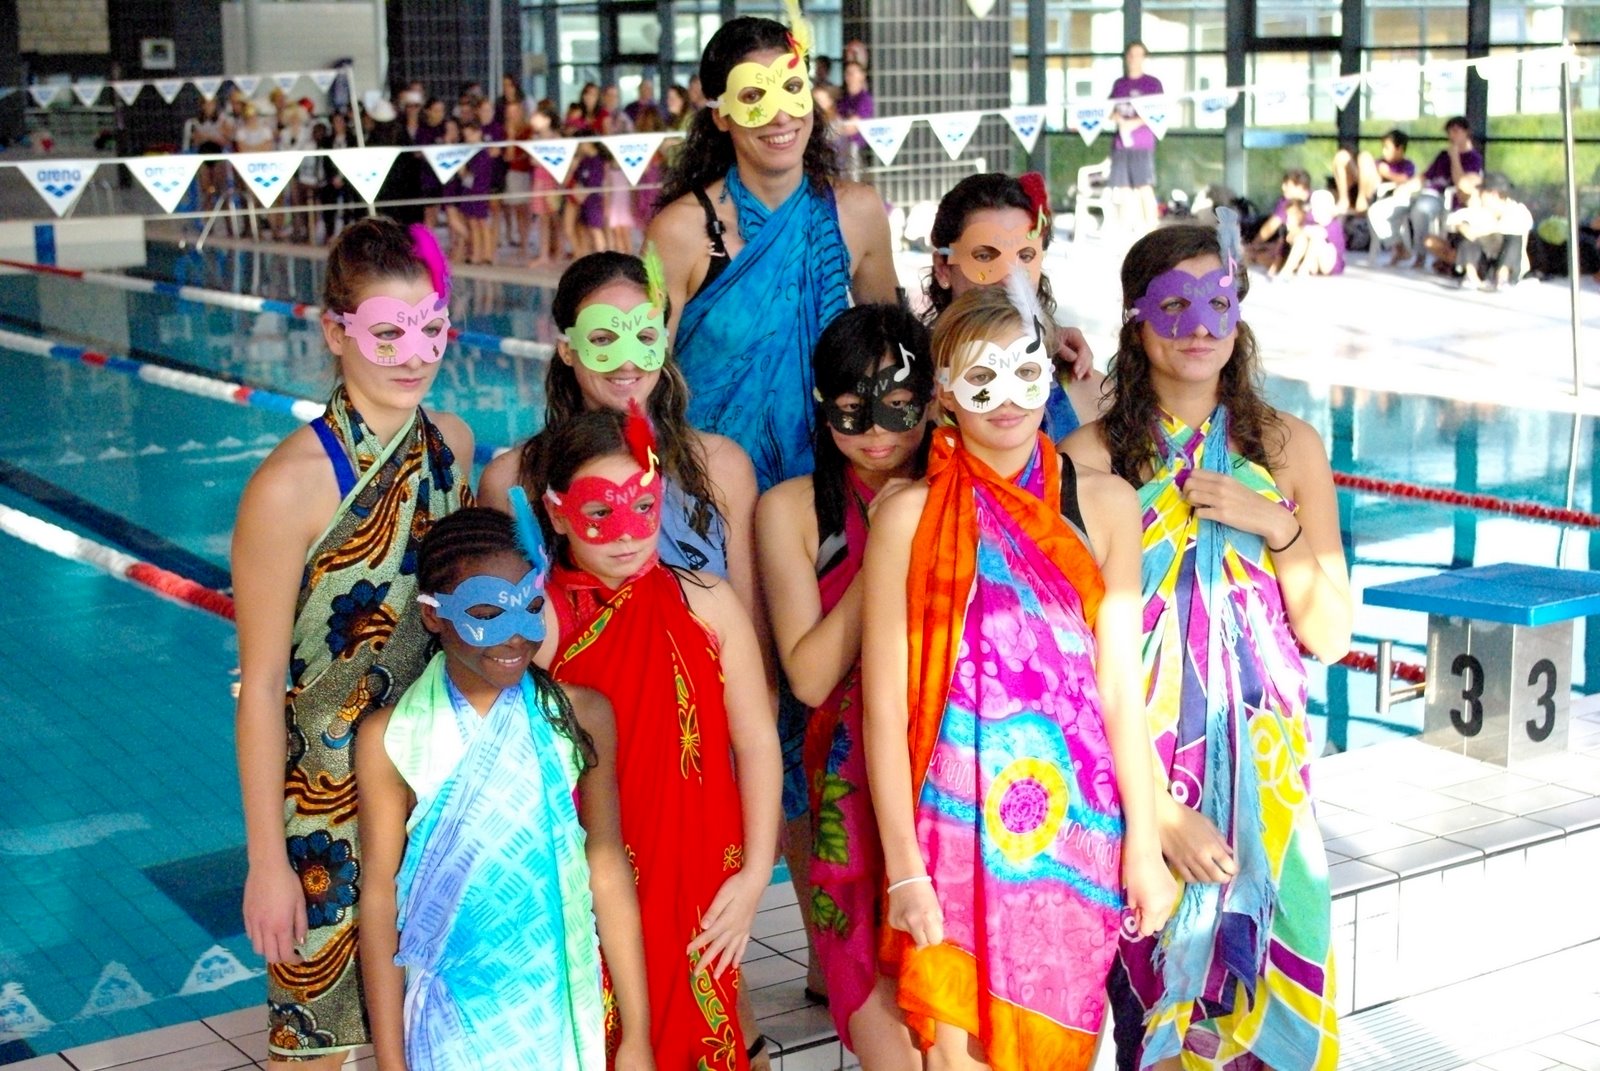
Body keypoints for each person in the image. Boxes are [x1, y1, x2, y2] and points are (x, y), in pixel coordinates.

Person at [862, 283, 1175, 1071]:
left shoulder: (1106, 503)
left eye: (1024, 373)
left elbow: (1119, 691)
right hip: (953, 832)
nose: (1006, 399)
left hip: (1074, 834)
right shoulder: (906, 517)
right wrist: (903, 867)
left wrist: (1144, 843)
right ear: (943, 393)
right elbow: (884, 707)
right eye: (981, 377)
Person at [1062, 219, 1349, 1071]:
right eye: (1173, 306)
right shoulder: (1087, 459)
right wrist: (1155, 813)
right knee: (1158, 1022)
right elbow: (1071, 671)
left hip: (1272, 793)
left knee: (1278, 1013)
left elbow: (1330, 633)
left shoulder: (1289, 448)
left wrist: (1276, 525)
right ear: (1135, 318)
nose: (1197, 327)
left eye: (1216, 304)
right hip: (1139, 787)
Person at [233, 218, 474, 1066]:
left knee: (434, 1033)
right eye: (387, 333)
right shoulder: (287, 488)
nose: (415, 356)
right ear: (335, 332)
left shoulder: (451, 443)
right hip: (323, 817)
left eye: (430, 328)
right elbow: (260, 687)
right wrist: (267, 862)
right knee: (319, 1047)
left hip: (433, 790)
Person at [356, 506, 654, 1071]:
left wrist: (636, 1032)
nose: (514, 633)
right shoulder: (394, 738)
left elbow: (606, 864)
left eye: (531, 606)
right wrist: (390, 1061)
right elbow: (379, 900)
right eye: (487, 612)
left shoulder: (581, 715)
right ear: (433, 616)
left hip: (557, 1005)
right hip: (448, 1015)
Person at [534, 408, 783, 1071]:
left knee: (701, 1034)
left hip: (702, 872)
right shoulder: (542, 622)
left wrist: (756, 874)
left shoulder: (708, 600)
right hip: (593, 881)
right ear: (557, 513)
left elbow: (757, 742)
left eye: (642, 507)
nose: (625, 533)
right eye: (599, 512)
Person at [755, 304, 934, 1071]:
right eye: (854, 411)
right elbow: (809, 673)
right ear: (822, 405)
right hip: (847, 791)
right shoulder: (791, 510)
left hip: (953, 777)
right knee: (883, 1026)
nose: (877, 434)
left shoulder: (962, 492)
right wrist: (889, 545)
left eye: (899, 407)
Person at [647, 13, 899, 493]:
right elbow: (643, 373)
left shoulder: (859, 213)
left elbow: (893, 353)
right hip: (709, 490)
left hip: (827, 486)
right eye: (753, 97)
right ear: (720, 115)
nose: (781, 116)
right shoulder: (679, 231)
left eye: (791, 89)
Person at [478, 250, 759, 612]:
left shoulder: (722, 467)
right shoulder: (513, 482)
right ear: (567, 350)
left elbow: (751, 621)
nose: (626, 361)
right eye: (602, 339)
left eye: (644, 336)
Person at [926, 172, 1101, 439]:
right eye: (984, 256)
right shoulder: (903, 382)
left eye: (1025, 256)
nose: (1007, 278)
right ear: (943, 268)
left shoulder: (1086, 392)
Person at [1406, 115, 1484, 269]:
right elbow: (1426, 175)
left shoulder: (1474, 158)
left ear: (1466, 132)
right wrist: (1405, 187)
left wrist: (1455, 157)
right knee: (1415, 209)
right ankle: (1416, 252)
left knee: (1421, 208)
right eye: (1449, 132)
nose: (1451, 136)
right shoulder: (1443, 155)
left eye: (1456, 131)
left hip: (1452, 199)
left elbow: (1461, 183)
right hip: (1431, 193)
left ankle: (1434, 257)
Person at [1108, 41, 1163, 234]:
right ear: (1126, 57)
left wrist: (1134, 123)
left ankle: (1152, 230)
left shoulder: (1152, 84)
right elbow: (1109, 110)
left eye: (1138, 55)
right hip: (1121, 144)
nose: (1134, 59)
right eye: (1131, 55)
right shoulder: (1119, 84)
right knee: (1123, 189)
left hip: (1141, 143)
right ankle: (1129, 230)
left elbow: (1158, 112)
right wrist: (1117, 118)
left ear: (1144, 58)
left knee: (1143, 187)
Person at [1445, 171, 1533, 291]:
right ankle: (1471, 277)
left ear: (1493, 194)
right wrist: (1461, 226)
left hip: (1510, 263)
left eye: (1481, 192)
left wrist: (1480, 230)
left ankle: (1503, 278)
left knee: (1514, 237)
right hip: (1485, 262)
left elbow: (1509, 228)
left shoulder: (1518, 211)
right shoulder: (1481, 210)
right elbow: (1454, 219)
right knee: (1467, 236)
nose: (1479, 195)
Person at [1351, 129, 1418, 263]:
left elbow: (1406, 179)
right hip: (1374, 196)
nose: (1384, 151)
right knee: (1364, 157)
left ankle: (1399, 247)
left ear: (1399, 149)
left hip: (1396, 201)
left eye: (1387, 148)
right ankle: (1363, 199)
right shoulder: (1379, 163)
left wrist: (1388, 174)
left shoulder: (1407, 165)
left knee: (1376, 214)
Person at [1246, 168, 1310, 273]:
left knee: (1300, 239)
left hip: (1311, 250)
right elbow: (1271, 226)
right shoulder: (1285, 201)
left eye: (1288, 185)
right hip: (1288, 244)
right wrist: (1255, 246)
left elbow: (1271, 226)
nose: (1283, 188)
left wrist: (1254, 244)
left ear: (1301, 187)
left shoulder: (1314, 202)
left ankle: (1287, 270)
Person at [1278, 188, 1345, 278]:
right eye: (1313, 208)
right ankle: (1287, 270)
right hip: (1314, 264)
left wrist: (1301, 231)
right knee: (1301, 239)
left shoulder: (1333, 225)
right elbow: (1295, 234)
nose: (1313, 211)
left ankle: (1303, 269)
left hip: (1329, 265)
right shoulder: (1311, 220)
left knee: (1317, 238)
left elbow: (1318, 233)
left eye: (1317, 208)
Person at [833, 60, 874, 181]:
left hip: (857, 149)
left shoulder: (864, 99)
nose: (850, 76)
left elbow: (852, 126)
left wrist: (837, 129)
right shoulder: (843, 100)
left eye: (854, 73)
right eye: (848, 73)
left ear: (862, 76)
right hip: (840, 150)